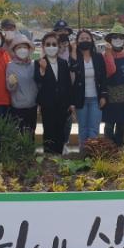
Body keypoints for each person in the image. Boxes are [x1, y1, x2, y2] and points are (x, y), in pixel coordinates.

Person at [69, 29, 108, 150]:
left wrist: (103, 95)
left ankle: (92, 154)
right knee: (83, 129)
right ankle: (83, 153)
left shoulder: (98, 57)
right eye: (82, 39)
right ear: (77, 41)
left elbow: (104, 77)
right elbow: (73, 70)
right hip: (81, 99)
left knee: (93, 129)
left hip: (96, 98)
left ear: (91, 40)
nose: (85, 40)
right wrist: (73, 51)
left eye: (87, 38)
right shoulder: (74, 57)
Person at [35, 32, 72, 154]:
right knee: (49, 131)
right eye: (48, 44)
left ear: (58, 46)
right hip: (47, 104)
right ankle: (48, 157)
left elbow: (67, 84)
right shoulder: (38, 62)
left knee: (61, 131)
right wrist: (42, 69)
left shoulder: (63, 62)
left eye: (54, 44)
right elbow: (37, 80)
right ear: (43, 46)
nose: (51, 47)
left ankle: (59, 156)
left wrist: (69, 103)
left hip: (62, 104)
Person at [102, 24, 124, 146]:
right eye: (115, 37)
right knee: (109, 125)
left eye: (121, 37)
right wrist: (109, 53)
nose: (118, 40)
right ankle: (108, 149)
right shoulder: (105, 55)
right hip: (111, 97)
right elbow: (110, 71)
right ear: (110, 40)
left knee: (122, 125)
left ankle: (120, 147)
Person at [6, 34, 38, 138]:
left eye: (24, 47)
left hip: (33, 105)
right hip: (18, 107)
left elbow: (38, 83)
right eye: (19, 47)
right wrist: (12, 84)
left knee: (31, 133)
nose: (22, 50)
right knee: (19, 135)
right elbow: (10, 88)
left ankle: (30, 149)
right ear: (14, 50)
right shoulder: (11, 66)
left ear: (29, 49)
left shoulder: (34, 64)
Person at [54, 19, 75, 153]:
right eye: (59, 31)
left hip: (69, 86)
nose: (62, 33)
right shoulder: (51, 46)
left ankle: (65, 142)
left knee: (68, 116)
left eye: (64, 31)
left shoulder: (72, 47)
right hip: (55, 87)